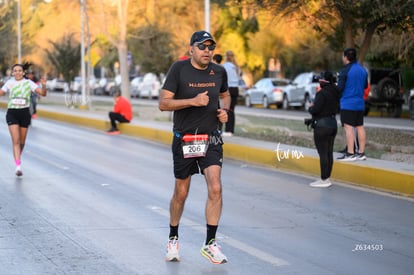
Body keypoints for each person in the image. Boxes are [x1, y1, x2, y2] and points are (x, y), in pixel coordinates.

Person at [159, 30, 231, 265]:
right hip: (185, 139)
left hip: (211, 138)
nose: (207, 51)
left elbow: (225, 95)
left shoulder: (219, 72)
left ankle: (210, 243)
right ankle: (173, 237)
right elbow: (163, 104)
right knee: (181, 192)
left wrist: (225, 111)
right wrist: (192, 101)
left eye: (211, 47)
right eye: (202, 47)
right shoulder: (178, 70)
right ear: (191, 49)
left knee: (216, 187)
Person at [0, 63, 47, 176]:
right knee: (15, 140)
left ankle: (17, 157)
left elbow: (43, 94)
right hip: (12, 113)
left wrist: (44, 85)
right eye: (15, 70)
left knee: (21, 142)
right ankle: (18, 167)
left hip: (24, 114)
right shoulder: (9, 83)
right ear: (12, 73)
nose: (17, 72)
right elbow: (1, 93)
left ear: (23, 72)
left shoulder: (28, 83)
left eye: (19, 70)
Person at [308, 71, 340, 188]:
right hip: (333, 124)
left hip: (322, 126)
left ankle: (323, 179)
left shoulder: (322, 94)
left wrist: (311, 108)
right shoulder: (336, 93)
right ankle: (327, 178)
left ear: (323, 81)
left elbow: (315, 110)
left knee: (323, 153)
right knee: (329, 152)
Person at [337, 48, 368, 161]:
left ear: (346, 57)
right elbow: (365, 86)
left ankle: (350, 154)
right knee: (360, 126)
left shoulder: (345, 70)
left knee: (348, 128)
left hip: (347, 103)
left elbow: (339, 87)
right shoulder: (362, 70)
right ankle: (361, 153)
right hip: (359, 103)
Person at [222, 50, 240, 136]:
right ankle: (231, 130)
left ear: (226, 56)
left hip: (228, 89)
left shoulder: (224, 66)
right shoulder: (237, 67)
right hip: (235, 89)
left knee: (226, 109)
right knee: (232, 110)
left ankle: (227, 130)